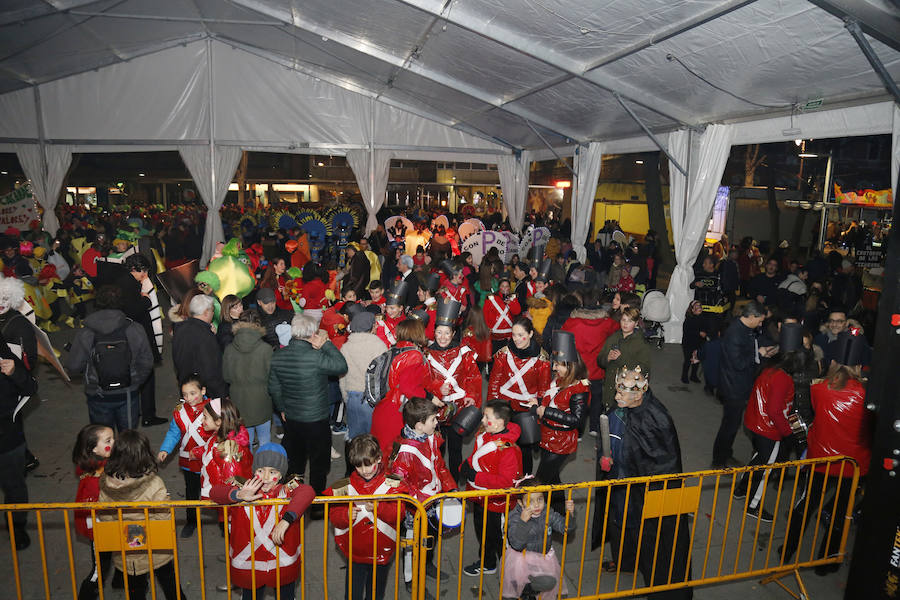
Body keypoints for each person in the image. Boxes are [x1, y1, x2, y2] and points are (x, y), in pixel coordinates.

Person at [591, 365, 692, 599]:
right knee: (618, 522)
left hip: (643, 493)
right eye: (617, 390)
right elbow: (612, 441)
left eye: (622, 392)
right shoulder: (618, 410)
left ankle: (659, 589)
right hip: (620, 484)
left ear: (639, 393)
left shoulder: (656, 418)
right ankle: (625, 561)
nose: (616, 396)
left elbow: (663, 462)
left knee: (651, 541)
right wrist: (604, 459)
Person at [782, 331, 872, 573]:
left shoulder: (819, 388)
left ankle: (788, 550)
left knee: (805, 505)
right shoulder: (867, 396)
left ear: (832, 362)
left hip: (820, 458)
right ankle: (826, 561)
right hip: (853, 465)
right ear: (859, 365)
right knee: (840, 514)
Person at [210, 443, 317, 600]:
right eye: (260, 471)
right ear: (254, 472)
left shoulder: (288, 491)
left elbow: (308, 491)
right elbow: (214, 492)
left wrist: (286, 520)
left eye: (272, 472)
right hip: (250, 565)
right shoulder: (244, 489)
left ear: (281, 475)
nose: (266, 477)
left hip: (282, 564)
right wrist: (238, 495)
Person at [734, 323, 816, 522]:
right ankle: (753, 505)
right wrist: (788, 433)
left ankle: (742, 488)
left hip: (755, 422)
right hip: (768, 429)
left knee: (758, 459)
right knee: (766, 468)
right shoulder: (783, 378)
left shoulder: (771, 368)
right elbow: (774, 410)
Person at [97, 430, 187, 600]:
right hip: (157, 549)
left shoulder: (106, 484)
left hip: (127, 553)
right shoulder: (154, 484)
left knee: (135, 591)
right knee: (171, 586)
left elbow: (106, 517)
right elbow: (163, 517)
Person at [269, 314, 348, 501]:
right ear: (312, 333)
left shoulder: (278, 355)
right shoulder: (316, 357)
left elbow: (273, 386)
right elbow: (341, 366)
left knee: (295, 460)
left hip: (292, 417)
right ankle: (315, 500)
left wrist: (281, 407)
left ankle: (294, 498)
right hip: (316, 419)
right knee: (318, 462)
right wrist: (326, 344)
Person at [323, 434, 409, 600]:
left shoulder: (392, 484)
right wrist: (346, 515)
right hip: (355, 551)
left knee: (376, 592)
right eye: (359, 466)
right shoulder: (344, 487)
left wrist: (380, 508)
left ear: (378, 458)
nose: (364, 471)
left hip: (382, 551)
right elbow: (334, 516)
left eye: (368, 465)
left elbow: (398, 514)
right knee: (353, 593)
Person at [65, 285, 154, 432]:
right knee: (128, 442)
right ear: (121, 302)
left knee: (102, 440)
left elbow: (74, 366)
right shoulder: (134, 329)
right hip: (127, 393)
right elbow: (147, 362)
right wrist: (135, 381)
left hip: (98, 395)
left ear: (97, 302)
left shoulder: (86, 332)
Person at [388, 397, 457, 581]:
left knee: (429, 540)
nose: (437, 422)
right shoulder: (404, 453)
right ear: (419, 425)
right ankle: (412, 580)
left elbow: (440, 466)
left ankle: (426, 564)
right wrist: (422, 504)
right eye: (433, 419)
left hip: (432, 502)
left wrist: (451, 489)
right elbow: (399, 487)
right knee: (413, 545)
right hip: (416, 510)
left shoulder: (430, 436)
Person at [458, 400, 523, 577]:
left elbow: (506, 482)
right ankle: (488, 562)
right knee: (483, 532)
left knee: (500, 538)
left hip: (497, 503)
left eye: (487, 417)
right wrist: (466, 465)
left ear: (501, 422)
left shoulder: (507, 448)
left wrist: (474, 476)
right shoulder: (487, 434)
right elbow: (478, 457)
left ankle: (512, 573)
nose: (482, 420)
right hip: (481, 497)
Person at [712, 300, 776, 468]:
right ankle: (719, 460)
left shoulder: (746, 329)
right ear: (752, 316)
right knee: (729, 425)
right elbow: (738, 363)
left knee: (732, 425)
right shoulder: (735, 333)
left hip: (739, 385)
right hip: (733, 388)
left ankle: (726, 454)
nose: (761, 323)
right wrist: (759, 354)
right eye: (760, 320)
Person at [371, 319, 445, 456]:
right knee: (396, 457)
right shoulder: (414, 355)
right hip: (398, 413)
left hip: (383, 408)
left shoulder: (394, 350)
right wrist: (431, 397)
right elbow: (408, 388)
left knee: (381, 454)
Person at [487, 316, 551, 475]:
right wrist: (491, 408)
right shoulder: (503, 354)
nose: (516, 339)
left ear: (530, 334)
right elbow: (494, 381)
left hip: (526, 409)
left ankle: (525, 481)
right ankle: (504, 475)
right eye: (514, 335)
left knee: (524, 448)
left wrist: (538, 406)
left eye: (521, 335)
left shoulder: (542, 359)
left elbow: (544, 389)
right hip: (504, 407)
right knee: (502, 444)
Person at [427, 299, 481, 480]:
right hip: (436, 410)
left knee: (456, 450)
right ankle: (440, 483)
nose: (442, 337)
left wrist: (472, 395)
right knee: (438, 449)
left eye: (447, 333)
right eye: (439, 332)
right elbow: (423, 381)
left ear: (453, 333)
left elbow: (473, 376)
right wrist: (436, 389)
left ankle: (455, 486)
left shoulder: (464, 352)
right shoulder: (425, 355)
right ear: (434, 332)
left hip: (459, 409)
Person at [156, 374, 215, 538]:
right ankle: (191, 520)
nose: (189, 398)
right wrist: (165, 449)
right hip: (189, 461)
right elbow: (174, 433)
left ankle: (224, 521)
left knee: (216, 490)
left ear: (203, 391)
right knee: (191, 492)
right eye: (185, 395)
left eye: (193, 393)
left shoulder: (214, 408)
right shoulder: (179, 412)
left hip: (210, 459)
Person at [528, 331, 588, 490]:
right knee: (552, 480)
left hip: (560, 444)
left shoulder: (579, 390)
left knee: (540, 482)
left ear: (570, 365)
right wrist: (539, 402)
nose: (554, 368)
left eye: (558, 364)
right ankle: (560, 513)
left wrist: (545, 411)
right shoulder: (561, 380)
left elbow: (576, 420)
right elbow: (554, 401)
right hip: (548, 437)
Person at [504, 483, 576, 600]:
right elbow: (516, 544)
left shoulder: (547, 512)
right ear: (520, 503)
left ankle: (528, 591)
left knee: (549, 583)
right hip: (520, 560)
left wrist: (570, 514)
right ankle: (524, 591)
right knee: (514, 590)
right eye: (530, 501)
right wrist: (523, 522)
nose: (537, 504)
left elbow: (566, 528)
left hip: (543, 558)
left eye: (540, 499)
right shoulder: (515, 516)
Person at [562, 292, 619, 434]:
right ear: (598, 303)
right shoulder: (606, 323)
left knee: (578, 400)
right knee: (596, 399)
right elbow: (618, 332)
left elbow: (562, 338)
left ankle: (579, 431)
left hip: (578, 369)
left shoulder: (572, 322)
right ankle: (594, 427)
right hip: (597, 369)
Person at [122, 253, 166, 427]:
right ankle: (148, 415)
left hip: (132, 338)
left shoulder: (124, 281)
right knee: (146, 375)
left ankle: (138, 412)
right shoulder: (129, 285)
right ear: (134, 269)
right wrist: (146, 301)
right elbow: (132, 310)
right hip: (139, 338)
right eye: (144, 271)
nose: (145, 275)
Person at [72, 424, 115, 600]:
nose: (114, 443)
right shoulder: (94, 481)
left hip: (108, 524)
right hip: (99, 529)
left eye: (113, 439)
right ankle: (86, 594)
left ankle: (119, 581)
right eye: (108, 441)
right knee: (99, 570)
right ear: (93, 448)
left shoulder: (101, 465)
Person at [223, 309, 274, 448]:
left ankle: (247, 469)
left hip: (239, 400)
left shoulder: (229, 349)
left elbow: (226, 376)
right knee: (264, 439)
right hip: (261, 399)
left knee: (245, 441)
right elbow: (272, 377)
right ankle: (263, 468)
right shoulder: (266, 349)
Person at [340, 310, 387, 442]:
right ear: (372, 327)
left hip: (352, 396)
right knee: (373, 439)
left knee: (356, 439)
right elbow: (383, 376)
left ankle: (356, 462)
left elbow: (342, 376)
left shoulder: (346, 347)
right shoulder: (379, 346)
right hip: (372, 398)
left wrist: (346, 396)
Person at [171, 293, 229, 399]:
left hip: (186, 389)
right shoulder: (205, 336)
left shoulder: (179, 328)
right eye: (212, 310)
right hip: (202, 394)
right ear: (206, 312)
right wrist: (222, 394)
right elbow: (211, 370)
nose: (213, 313)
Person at [598, 307, 652, 416]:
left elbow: (644, 369)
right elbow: (600, 361)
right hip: (610, 388)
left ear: (636, 323)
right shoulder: (613, 337)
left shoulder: (641, 344)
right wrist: (607, 358)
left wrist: (621, 359)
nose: (625, 324)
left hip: (628, 394)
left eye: (630, 321)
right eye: (623, 320)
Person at [482, 278, 521, 355]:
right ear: (499, 287)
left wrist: (511, 303)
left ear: (509, 288)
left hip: (509, 335)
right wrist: (487, 327)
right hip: (495, 335)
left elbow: (517, 312)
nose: (505, 288)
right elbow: (486, 314)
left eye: (506, 286)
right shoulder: (492, 298)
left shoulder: (513, 299)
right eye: (503, 286)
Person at [375, 280, 408, 347]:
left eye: (392, 308)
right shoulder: (380, 322)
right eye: (387, 308)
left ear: (401, 308)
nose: (388, 311)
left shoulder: (407, 324)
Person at [680, 301, 706, 384]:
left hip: (699, 342)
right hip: (689, 343)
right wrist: (698, 333)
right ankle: (684, 376)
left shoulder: (703, 318)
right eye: (696, 307)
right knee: (688, 360)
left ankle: (693, 376)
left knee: (697, 359)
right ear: (692, 309)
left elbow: (706, 327)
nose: (699, 308)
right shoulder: (689, 319)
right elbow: (687, 331)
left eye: (700, 306)